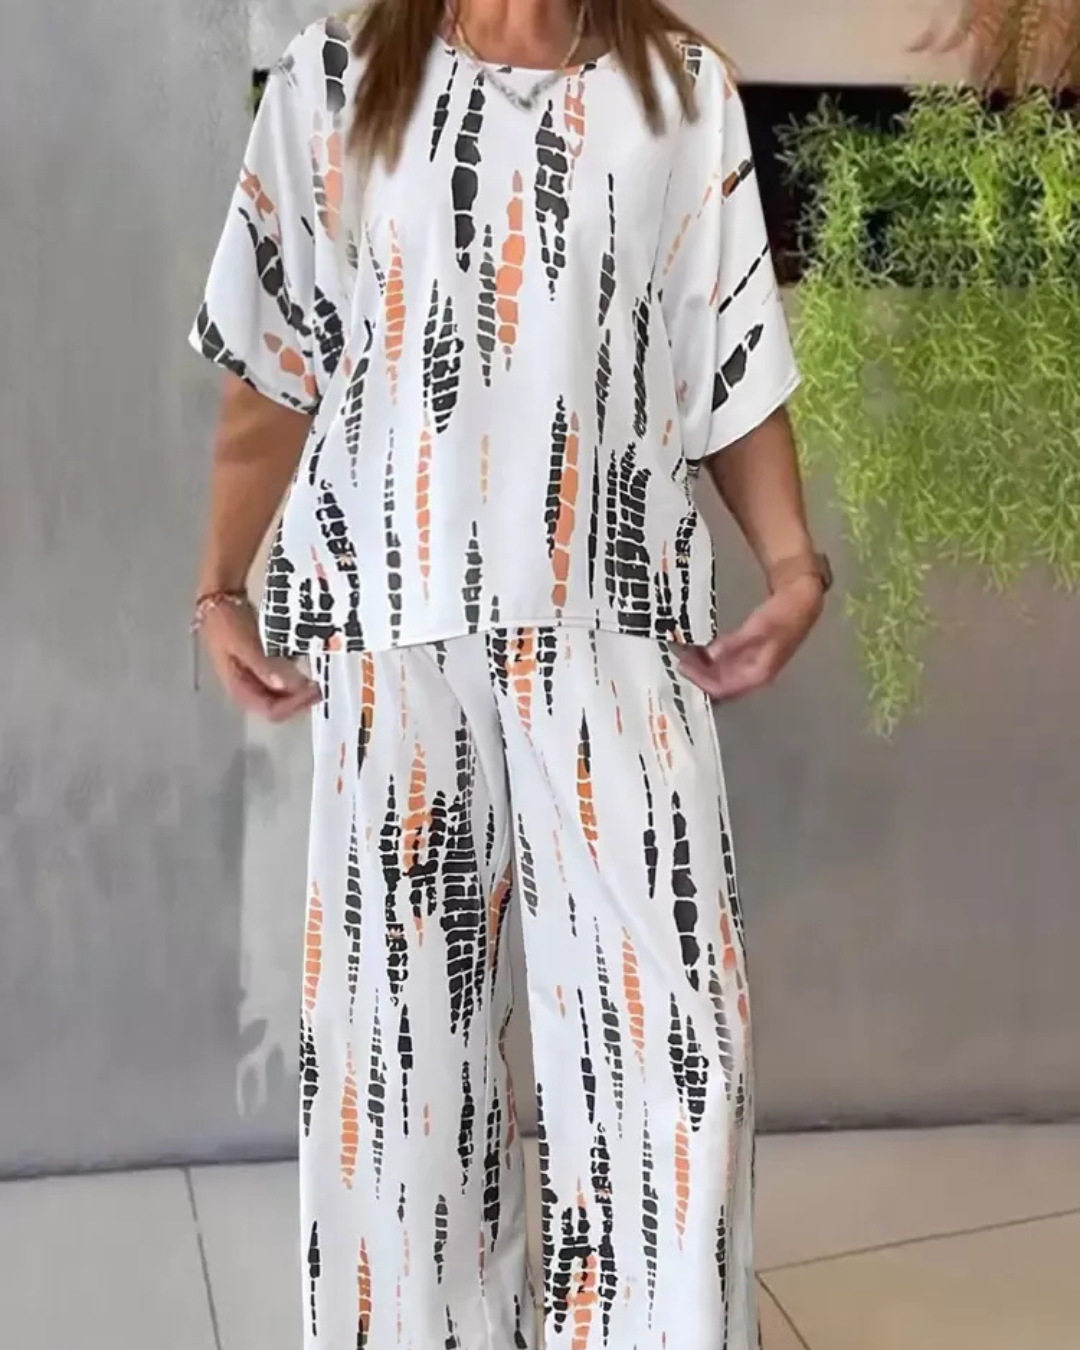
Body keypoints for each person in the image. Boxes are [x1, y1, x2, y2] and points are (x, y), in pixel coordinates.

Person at [189, 2, 828, 1347]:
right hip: (393, 627)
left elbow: (726, 353)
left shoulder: (680, 91)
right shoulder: (336, 78)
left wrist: (792, 562)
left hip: (617, 623)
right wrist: (221, 582)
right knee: (400, 1080)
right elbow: (276, 358)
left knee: (675, 1055)